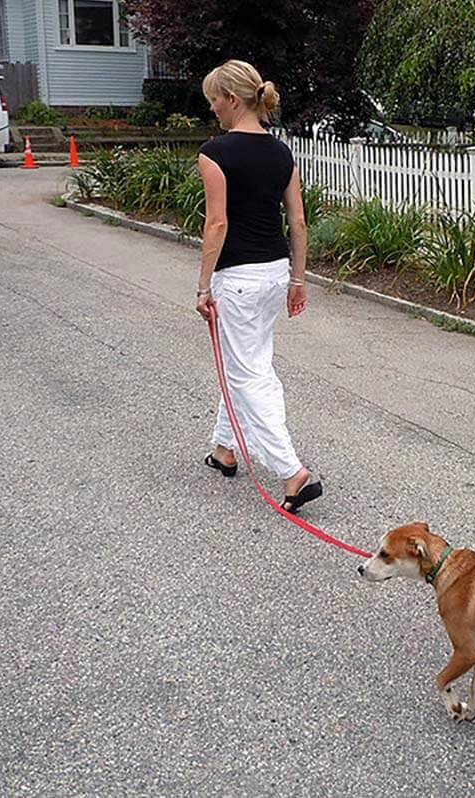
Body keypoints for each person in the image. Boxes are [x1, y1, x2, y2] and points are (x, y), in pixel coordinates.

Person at [195, 59, 322, 515]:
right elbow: (299, 221)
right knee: (244, 362)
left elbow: (217, 223)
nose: (212, 108)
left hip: (239, 280)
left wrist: (203, 286)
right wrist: (298, 279)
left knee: (251, 373)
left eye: (214, 99)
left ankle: (292, 472)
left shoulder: (216, 153)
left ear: (230, 99)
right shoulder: (281, 152)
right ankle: (226, 450)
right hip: (273, 274)